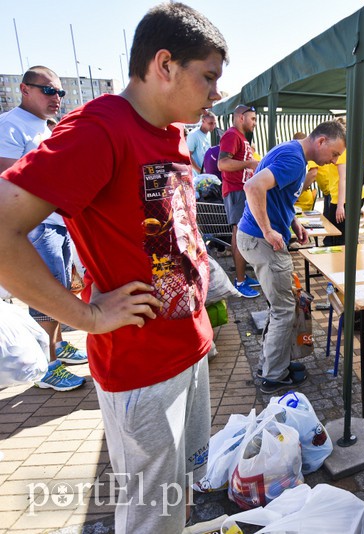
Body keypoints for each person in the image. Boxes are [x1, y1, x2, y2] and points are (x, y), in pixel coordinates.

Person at [0, 4, 228, 532]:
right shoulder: (100, 128)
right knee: (151, 516)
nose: (216, 93)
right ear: (165, 65)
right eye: (209, 76)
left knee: (178, 498)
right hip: (141, 367)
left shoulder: (169, 130)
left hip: (188, 350)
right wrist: (88, 318)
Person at [238, 120, 346, 394]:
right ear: (321, 141)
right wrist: (267, 230)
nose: (334, 161)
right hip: (261, 241)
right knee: (284, 310)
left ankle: (273, 364)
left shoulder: (293, 152)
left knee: (281, 306)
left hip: (257, 238)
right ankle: (273, 375)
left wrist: (293, 223)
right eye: (334, 153)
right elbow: (253, 187)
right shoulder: (295, 160)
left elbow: (278, 197)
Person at [0, 65, 87, 392]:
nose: (57, 97)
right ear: (24, 89)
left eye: (60, 92)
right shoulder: (11, 126)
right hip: (36, 225)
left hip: (56, 221)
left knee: (61, 289)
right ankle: (47, 367)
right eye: (48, 90)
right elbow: (9, 177)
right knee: (47, 294)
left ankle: (58, 346)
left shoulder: (46, 127)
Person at [218, 104, 260, 298]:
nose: (255, 123)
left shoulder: (241, 137)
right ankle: (240, 281)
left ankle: (243, 277)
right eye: (253, 119)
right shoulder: (232, 135)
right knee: (239, 234)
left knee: (242, 233)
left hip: (241, 191)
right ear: (241, 118)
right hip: (235, 191)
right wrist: (250, 163)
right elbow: (222, 163)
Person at [186, 110, 216, 175]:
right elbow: (188, 156)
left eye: (215, 123)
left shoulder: (209, 134)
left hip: (206, 175)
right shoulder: (193, 135)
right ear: (203, 121)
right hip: (197, 177)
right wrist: (200, 171)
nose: (213, 126)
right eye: (210, 123)